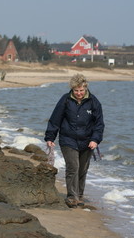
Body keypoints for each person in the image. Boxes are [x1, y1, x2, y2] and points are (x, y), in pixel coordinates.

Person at [44, 74, 104, 208]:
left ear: (85, 88)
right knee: (73, 167)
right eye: (76, 90)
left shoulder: (94, 102)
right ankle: (71, 197)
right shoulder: (65, 100)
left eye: (81, 90)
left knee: (82, 169)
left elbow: (99, 124)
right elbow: (55, 119)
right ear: (72, 89)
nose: (79, 93)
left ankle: (79, 195)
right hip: (68, 139)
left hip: (88, 142)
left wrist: (95, 139)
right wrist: (50, 137)